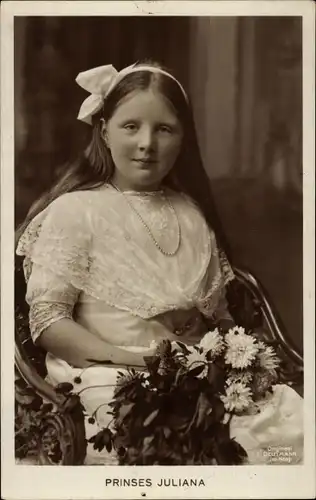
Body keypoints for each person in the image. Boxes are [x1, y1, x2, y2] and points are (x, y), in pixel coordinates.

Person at [16, 60, 303, 465]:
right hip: (105, 375)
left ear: (183, 139)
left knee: (283, 436)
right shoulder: (76, 211)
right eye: (130, 126)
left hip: (191, 375)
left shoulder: (189, 212)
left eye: (164, 129)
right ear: (104, 131)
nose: (147, 143)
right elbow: (48, 324)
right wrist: (138, 360)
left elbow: (216, 318)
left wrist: (224, 356)